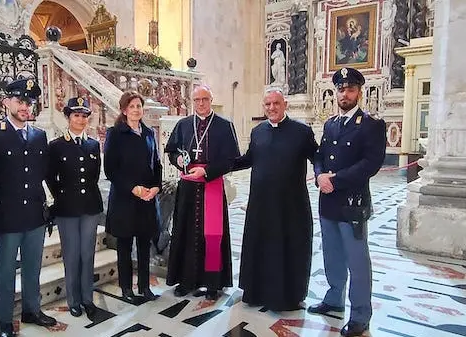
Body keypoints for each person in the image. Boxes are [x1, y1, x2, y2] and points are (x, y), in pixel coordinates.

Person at [308, 67, 386, 337]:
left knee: (357, 261)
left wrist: (335, 179)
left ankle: (361, 315)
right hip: (328, 200)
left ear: (359, 92)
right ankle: (334, 299)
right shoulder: (330, 124)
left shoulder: (371, 125)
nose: (344, 93)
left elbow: (371, 163)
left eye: (350, 89)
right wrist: (319, 176)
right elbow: (320, 156)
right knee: (332, 254)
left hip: (352, 203)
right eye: (340, 89)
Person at [0, 79, 56, 337]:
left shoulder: (38, 135)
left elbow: (43, 173)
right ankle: (4, 322)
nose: (25, 106)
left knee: (33, 267)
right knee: (5, 272)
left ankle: (32, 310)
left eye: (29, 102)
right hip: (7, 215)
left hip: (35, 214)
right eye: (20, 101)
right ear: (6, 102)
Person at [233, 88, 318, 311]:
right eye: (267, 104)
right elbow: (248, 159)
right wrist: (216, 167)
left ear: (285, 104)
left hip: (291, 204)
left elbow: (317, 158)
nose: (271, 108)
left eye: (276, 103)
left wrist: (326, 174)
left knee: (287, 248)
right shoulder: (258, 131)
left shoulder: (301, 131)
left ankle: (287, 296)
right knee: (260, 246)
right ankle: (257, 291)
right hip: (261, 203)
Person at [164, 85, 240, 301]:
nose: (201, 103)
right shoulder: (183, 124)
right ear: (192, 101)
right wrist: (178, 160)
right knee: (185, 232)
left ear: (211, 99)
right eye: (197, 99)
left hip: (212, 184)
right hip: (188, 187)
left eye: (204, 99)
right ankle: (186, 281)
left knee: (213, 236)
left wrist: (206, 171)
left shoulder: (225, 126)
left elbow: (230, 160)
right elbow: (171, 150)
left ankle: (213, 284)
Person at [45, 97, 103, 320]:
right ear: (68, 117)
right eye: (76, 115)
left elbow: (94, 175)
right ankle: (73, 300)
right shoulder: (56, 146)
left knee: (87, 254)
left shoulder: (93, 145)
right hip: (67, 207)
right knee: (71, 255)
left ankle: (87, 299)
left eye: (84, 116)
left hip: (89, 206)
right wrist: (61, 195)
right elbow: (50, 177)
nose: (80, 119)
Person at [104, 90, 162, 302]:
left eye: (139, 106)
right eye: (132, 106)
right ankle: (127, 288)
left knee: (145, 246)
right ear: (124, 110)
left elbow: (156, 163)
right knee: (125, 247)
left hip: (147, 199)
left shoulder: (148, 133)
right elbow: (111, 170)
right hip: (125, 200)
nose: (136, 110)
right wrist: (133, 188)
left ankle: (145, 288)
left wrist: (156, 187)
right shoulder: (115, 134)